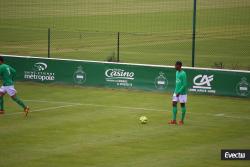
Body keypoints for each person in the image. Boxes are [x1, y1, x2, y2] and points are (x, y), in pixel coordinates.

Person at [169, 61, 187, 125]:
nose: (175, 66)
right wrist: (175, 91)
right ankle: (174, 120)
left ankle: (182, 121)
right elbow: (177, 83)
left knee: (182, 105)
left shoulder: (183, 73)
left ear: (180, 66)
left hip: (182, 93)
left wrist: (179, 91)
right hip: (176, 92)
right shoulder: (176, 72)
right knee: (174, 104)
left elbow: (184, 84)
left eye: (176, 65)